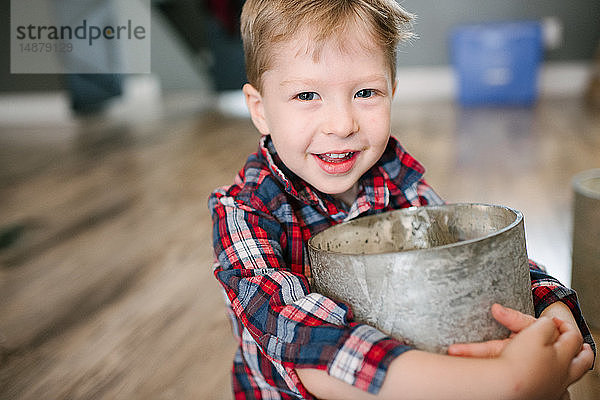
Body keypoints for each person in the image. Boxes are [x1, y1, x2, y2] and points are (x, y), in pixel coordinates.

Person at [208, 1, 596, 398]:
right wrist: (500, 383)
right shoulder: (244, 212)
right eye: (307, 95)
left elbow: (475, 261)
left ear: (391, 92)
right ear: (259, 110)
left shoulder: (397, 182)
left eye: (365, 92)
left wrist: (552, 312)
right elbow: (307, 349)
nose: (342, 124)